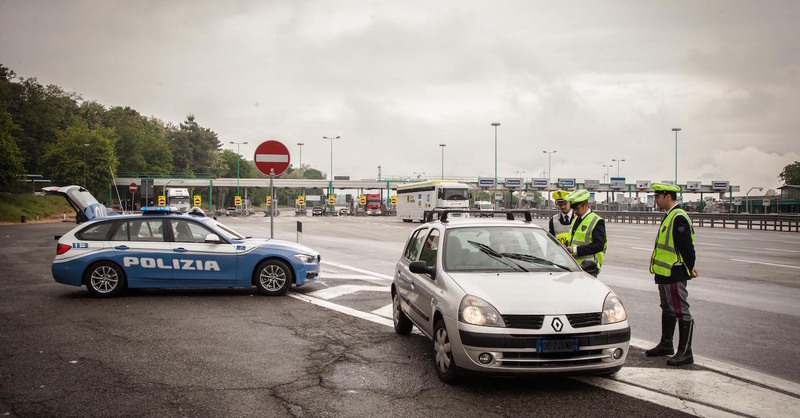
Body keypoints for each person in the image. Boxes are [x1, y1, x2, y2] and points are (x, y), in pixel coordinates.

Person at [645, 183, 698, 366]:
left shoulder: (678, 217)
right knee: (667, 308)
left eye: (658, 196)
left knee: (681, 310)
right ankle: (666, 344)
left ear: (668, 196)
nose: (656, 199)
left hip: (675, 272)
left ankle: (685, 351)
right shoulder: (669, 216)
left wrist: (689, 267)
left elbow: (687, 247)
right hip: (664, 272)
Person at [565, 189, 606, 277]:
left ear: (585, 205)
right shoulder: (576, 219)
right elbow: (573, 239)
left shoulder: (597, 221)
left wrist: (574, 250)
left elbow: (599, 245)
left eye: (577, 208)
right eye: (573, 208)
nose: (574, 211)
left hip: (589, 267)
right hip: (575, 266)